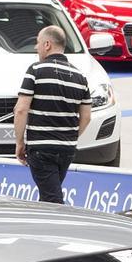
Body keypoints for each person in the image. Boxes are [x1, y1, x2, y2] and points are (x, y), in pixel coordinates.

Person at [14, 25, 92, 204]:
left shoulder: (36, 70)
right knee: (49, 194)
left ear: (47, 44)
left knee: (52, 200)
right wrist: (69, 136)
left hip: (41, 147)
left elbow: (21, 109)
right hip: (67, 148)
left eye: (38, 43)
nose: (36, 47)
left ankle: (59, 229)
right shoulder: (80, 77)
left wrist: (19, 142)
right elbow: (86, 117)